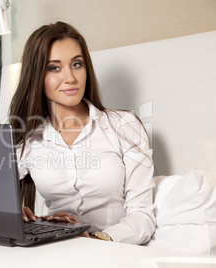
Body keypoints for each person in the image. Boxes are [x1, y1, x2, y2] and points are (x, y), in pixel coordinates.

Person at [8, 21, 155, 244]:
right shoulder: (29, 139)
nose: (71, 78)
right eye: (54, 67)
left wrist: (97, 238)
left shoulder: (124, 126)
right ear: (36, 75)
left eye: (77, 64)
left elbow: (143, 216)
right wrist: (15, 214)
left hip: (114, 251)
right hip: (55, 249)